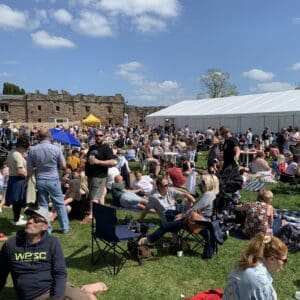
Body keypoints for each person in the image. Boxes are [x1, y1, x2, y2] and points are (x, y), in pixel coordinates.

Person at [0, 205, 107, 300]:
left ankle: (87, 291)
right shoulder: (11, 244)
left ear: (44, 227)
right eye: (30, 217)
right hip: (32, 296)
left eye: (36, 220)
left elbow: (60, 273)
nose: (30, 221)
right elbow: (1, 273)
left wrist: (56, 297)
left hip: (54, 287)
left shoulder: (52, 243)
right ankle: (86, 290)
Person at [138, 174, 219, 247]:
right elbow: (146, 209)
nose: (200, 184)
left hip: (196, 221)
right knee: (170, 213)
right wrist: (140, 220)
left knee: (165, 225)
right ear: (158, 186)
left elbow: (193, 208)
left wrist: (183, 215)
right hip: (196, 219)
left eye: (203, 183)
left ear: (208, 184)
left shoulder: (208, 195)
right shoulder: (210, 194)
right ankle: (174, 238)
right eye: (165, 185)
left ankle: (148, 240)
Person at [27, 128, 70, 233]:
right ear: (50, 136)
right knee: (60, 204)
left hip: (41, 179)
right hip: (53, 179)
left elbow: (29, 170)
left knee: (43, 205)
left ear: (39, 136)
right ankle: (64, 227)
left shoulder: (33, 150)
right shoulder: (56, 148)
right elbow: (63, 166)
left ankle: (47, 229)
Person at [223, 233, 288, 300]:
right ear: (272, 259)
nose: (284, 263)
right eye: (284, 260)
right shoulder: (261, 280)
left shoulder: (242, 264)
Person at [84, 129, 117, 221]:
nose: (98, 137)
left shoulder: (106, 148)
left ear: (104, 137)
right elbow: (89, 158)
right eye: (97, 135)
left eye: (100, 135)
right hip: (90, 174)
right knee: (100, 194)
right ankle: (101, 211)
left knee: (93, 196)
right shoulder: (92, 147)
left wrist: (98, 162)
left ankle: (92, 215)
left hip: (99, 175)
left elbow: (113, 162)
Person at [5, 136, 30, 226]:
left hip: (13, 179)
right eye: (26, 148)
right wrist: (30, 176)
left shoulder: (11, 152)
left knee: (16, 201)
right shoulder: (18, 155)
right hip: (18, 179)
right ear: (22, 146)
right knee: (19, 201)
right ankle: (16, 220)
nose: (26, 150)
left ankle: (17, 217)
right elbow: (20, 171)